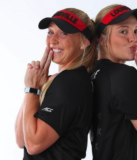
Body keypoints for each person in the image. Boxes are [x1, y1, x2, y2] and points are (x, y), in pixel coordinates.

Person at [15, 8, 97, 160]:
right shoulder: (57, 80)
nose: (52, 40)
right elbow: (21, 139)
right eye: (50, 32)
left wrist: (32, 89)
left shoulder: (71, 82)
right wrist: (33, 89)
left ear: (84, 42)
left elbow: (33, 145)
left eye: (64, 33)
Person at [90, 4, 137, 160]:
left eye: (136, 31)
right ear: (102, 38)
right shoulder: (124, 75)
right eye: (123, 31)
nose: (133, 38)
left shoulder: (93, 73)